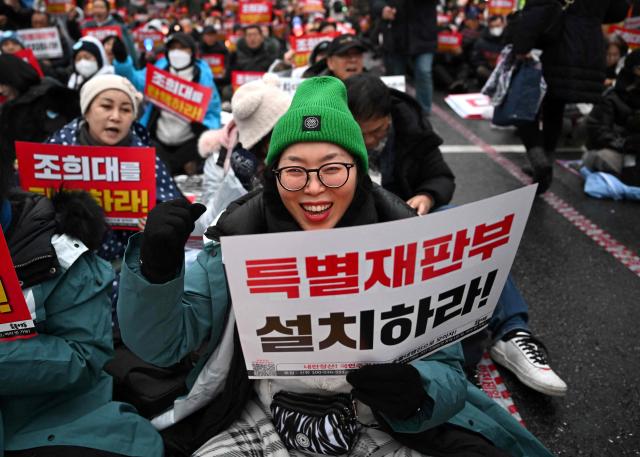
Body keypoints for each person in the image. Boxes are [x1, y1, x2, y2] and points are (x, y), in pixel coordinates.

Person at [117, 76, 554, 457]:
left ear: (360, 172)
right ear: (273, 175)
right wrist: (157, 270)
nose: (313, 189)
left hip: (378, 422)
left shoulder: (403, 245)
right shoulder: (237, 241)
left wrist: (416, 393)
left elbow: (448, 370)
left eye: (332, 170)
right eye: (295, 171)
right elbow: (164, 344)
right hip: (259, 414)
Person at [345, 73, 567, 397]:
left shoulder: (410, 131)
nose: (367, 142)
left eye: (377, 132)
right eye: (359, 134)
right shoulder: (327, 141)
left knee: (462, 227)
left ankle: (512, 333)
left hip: (410, 231)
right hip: (355, 248)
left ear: (390, 118)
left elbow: (440, 176)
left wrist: (427, 196)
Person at [0, 117, 162, 457]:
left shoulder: (59, 253)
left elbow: (84, 356)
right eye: (106, 106)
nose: (114, 116)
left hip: (52, 426)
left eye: (122, 107)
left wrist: (156, 237)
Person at [46, 74, 182, 264]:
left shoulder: (147, 159)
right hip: (62, 266)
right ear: (86, 111)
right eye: (106, 106)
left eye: (125, 110)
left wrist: (157, 225)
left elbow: (174, 210)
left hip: (128, 266)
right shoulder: (52, 154)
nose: (115, 117)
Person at [511, 0, 629, 194]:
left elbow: (536, 11)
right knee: (554, 108)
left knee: (522, 104)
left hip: (554, 45)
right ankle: (547, 160)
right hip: (588, 47)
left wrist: (521, 47)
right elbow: (618, 10)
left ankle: (538, 159)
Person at [112, 32, 222, 175]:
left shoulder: (204, 77)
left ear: (192, 52)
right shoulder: (159, 70)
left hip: (189, 144)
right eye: (173, 48)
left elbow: (214, 112)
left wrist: (205, 128)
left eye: (182, 48)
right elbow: (135, 81)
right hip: (158, 140)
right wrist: (122, 61)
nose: (177, 53)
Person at [196, 74, 292, 229]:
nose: (291, 133)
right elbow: (205, 225)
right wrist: (236, 183)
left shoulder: (302, 150)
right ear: (262, 137)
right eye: (280, 128)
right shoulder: (220, 157)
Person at [0, 54, 79, 164]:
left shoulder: (49, 95)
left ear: (13, 78)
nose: (1, 90)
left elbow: (57, 135)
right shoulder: (8, 106)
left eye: (3, 84)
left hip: (49, 164)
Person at [584, 49, 640, 186]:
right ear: (635, 70)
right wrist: (627, 143)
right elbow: (597, 130)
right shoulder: (612, 98)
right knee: (603, 158)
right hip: (615, 150)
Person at [371, 0, 438, 114]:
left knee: (423, 71)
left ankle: (423, 111)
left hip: (424, 35)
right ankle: (397, 110)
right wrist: (382, 9)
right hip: (397, 36)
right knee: (396, 76)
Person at [303, 34, 367, 80]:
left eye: (357, 54)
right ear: (330, 63)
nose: (353, 59)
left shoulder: (375, 85)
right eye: (344, 54)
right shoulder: (314, 92)